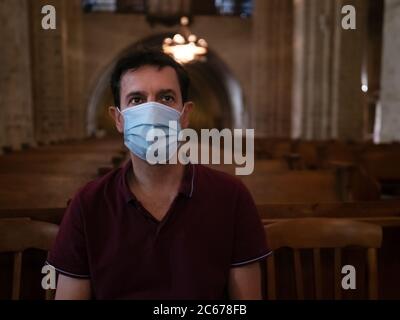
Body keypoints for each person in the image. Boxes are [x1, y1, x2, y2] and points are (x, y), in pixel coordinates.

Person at [47, 49, 270, 300]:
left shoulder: (231, 197)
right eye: (137, 100)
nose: (152, 111)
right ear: (118, 119)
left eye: (165, 98)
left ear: (184, 114)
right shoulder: (88, 204)